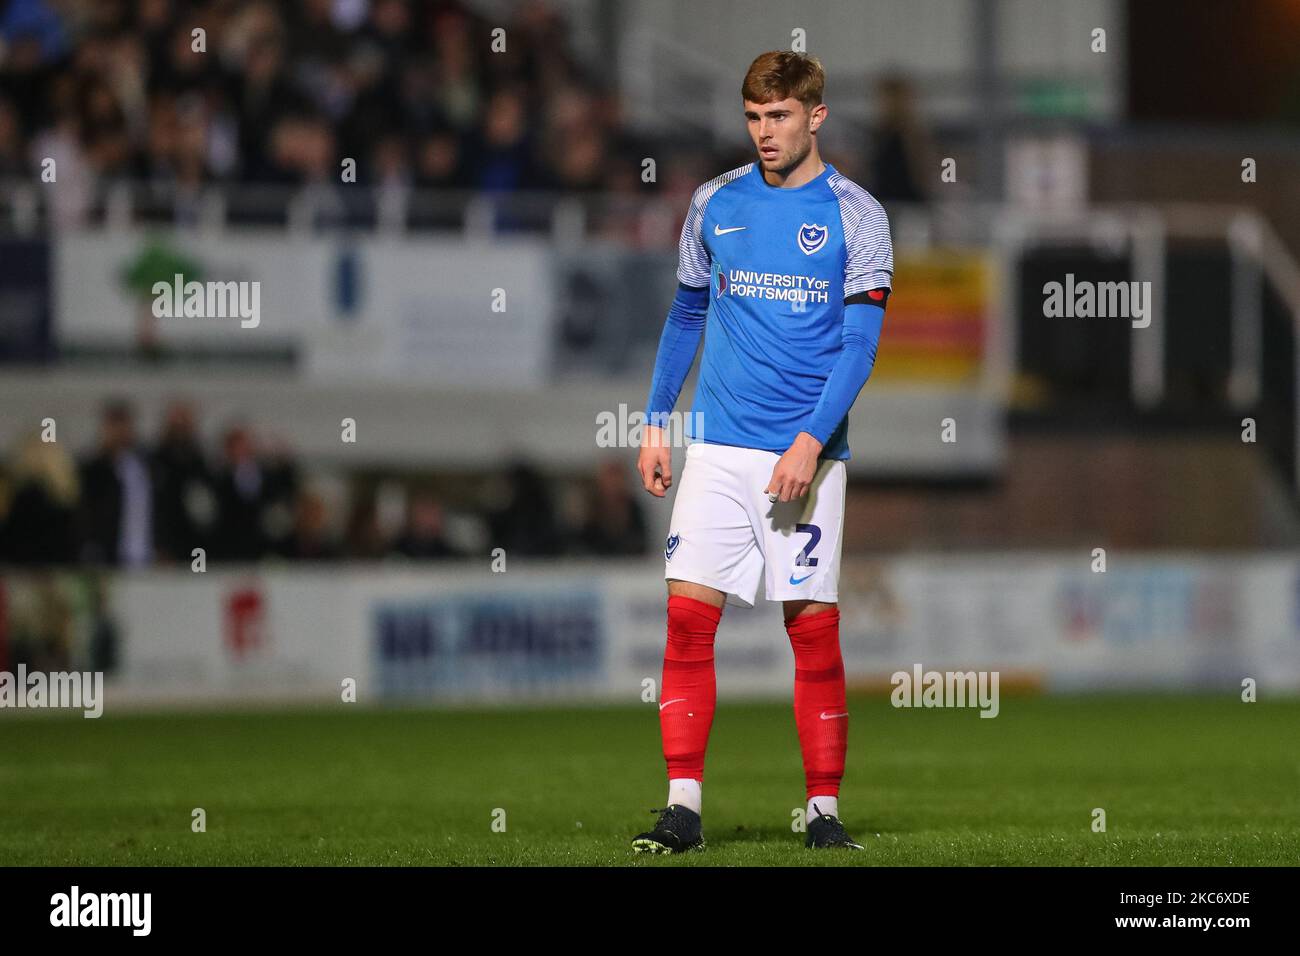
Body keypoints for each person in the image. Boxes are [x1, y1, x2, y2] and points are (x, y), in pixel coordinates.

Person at [632, 51, 893, 853]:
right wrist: (654, 420)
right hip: (717, 446)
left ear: (816, 116)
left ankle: (822, 812)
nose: (763, 132)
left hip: (807, 457)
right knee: (685, 623)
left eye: (778, 117)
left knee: (812, 632)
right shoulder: (715, 202)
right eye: (752, 117)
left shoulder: (858, 214)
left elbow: (859, 347)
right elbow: (685, 317)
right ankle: (682, 808)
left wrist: (811, 443)